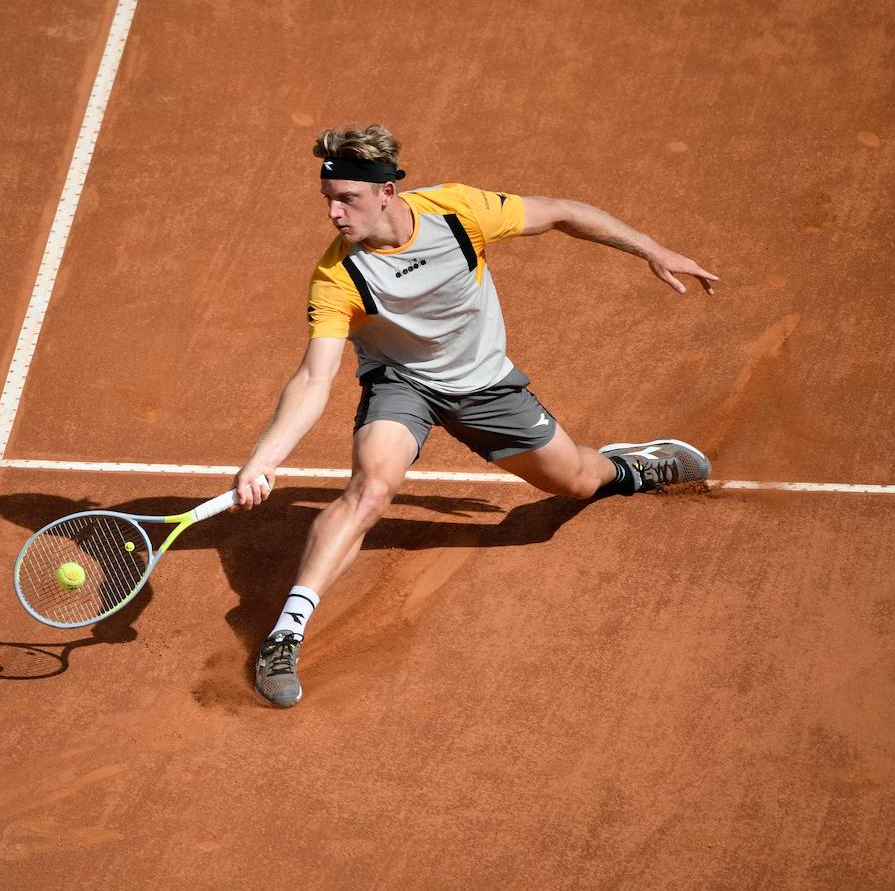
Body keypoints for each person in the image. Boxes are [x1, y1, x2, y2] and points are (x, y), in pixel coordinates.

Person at [233, 124, 718, 707]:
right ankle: (285, 636)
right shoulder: (338, 275)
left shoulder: (459, 213)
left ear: (387, 192)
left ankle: (630, 467)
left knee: (579, 483)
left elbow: (562, 212)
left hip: (485, 385)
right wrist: (264, 459)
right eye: (328, 200)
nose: (334, 213)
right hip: (402, 384)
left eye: (347, 199)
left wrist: (651, 249)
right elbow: (315, 378)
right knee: (370, 489)